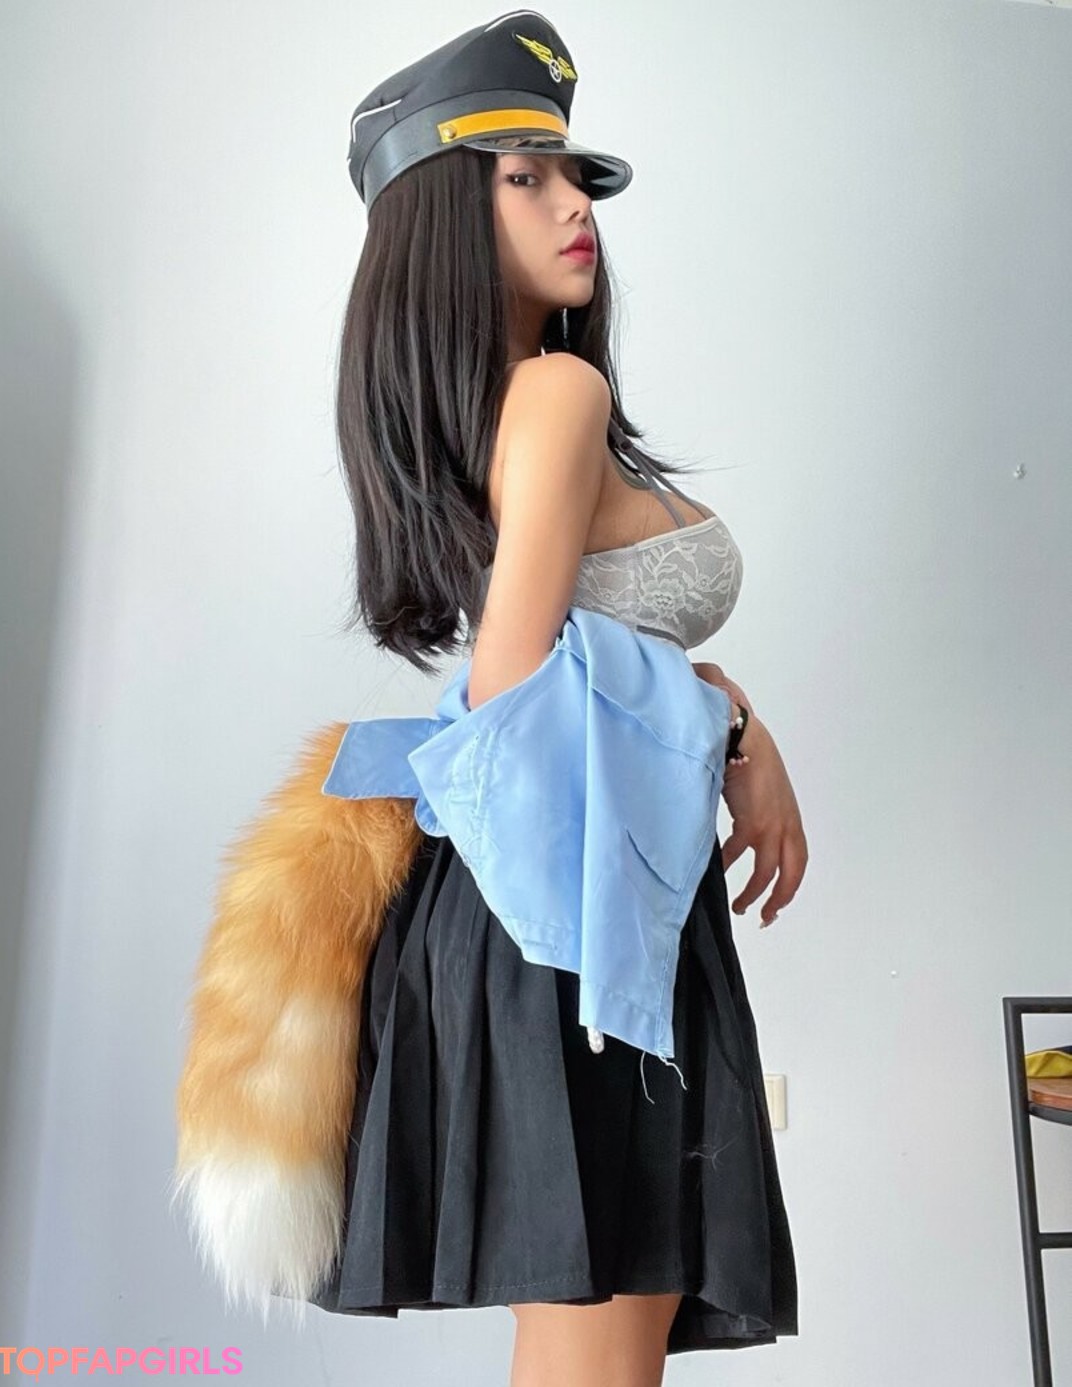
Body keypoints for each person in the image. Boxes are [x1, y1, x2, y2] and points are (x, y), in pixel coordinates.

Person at [310, 10, 808, 1383]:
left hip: (571, 901)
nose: (573, 204)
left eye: (572, 174)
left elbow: (535, 670)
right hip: (572, 914)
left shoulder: (523, 399)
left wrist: (721, 712)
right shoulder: (555, 393)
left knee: (599, 1339)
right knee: (602, 1345)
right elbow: (514, 685)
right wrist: (729, 721)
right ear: (440, 219)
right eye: (523, 179)